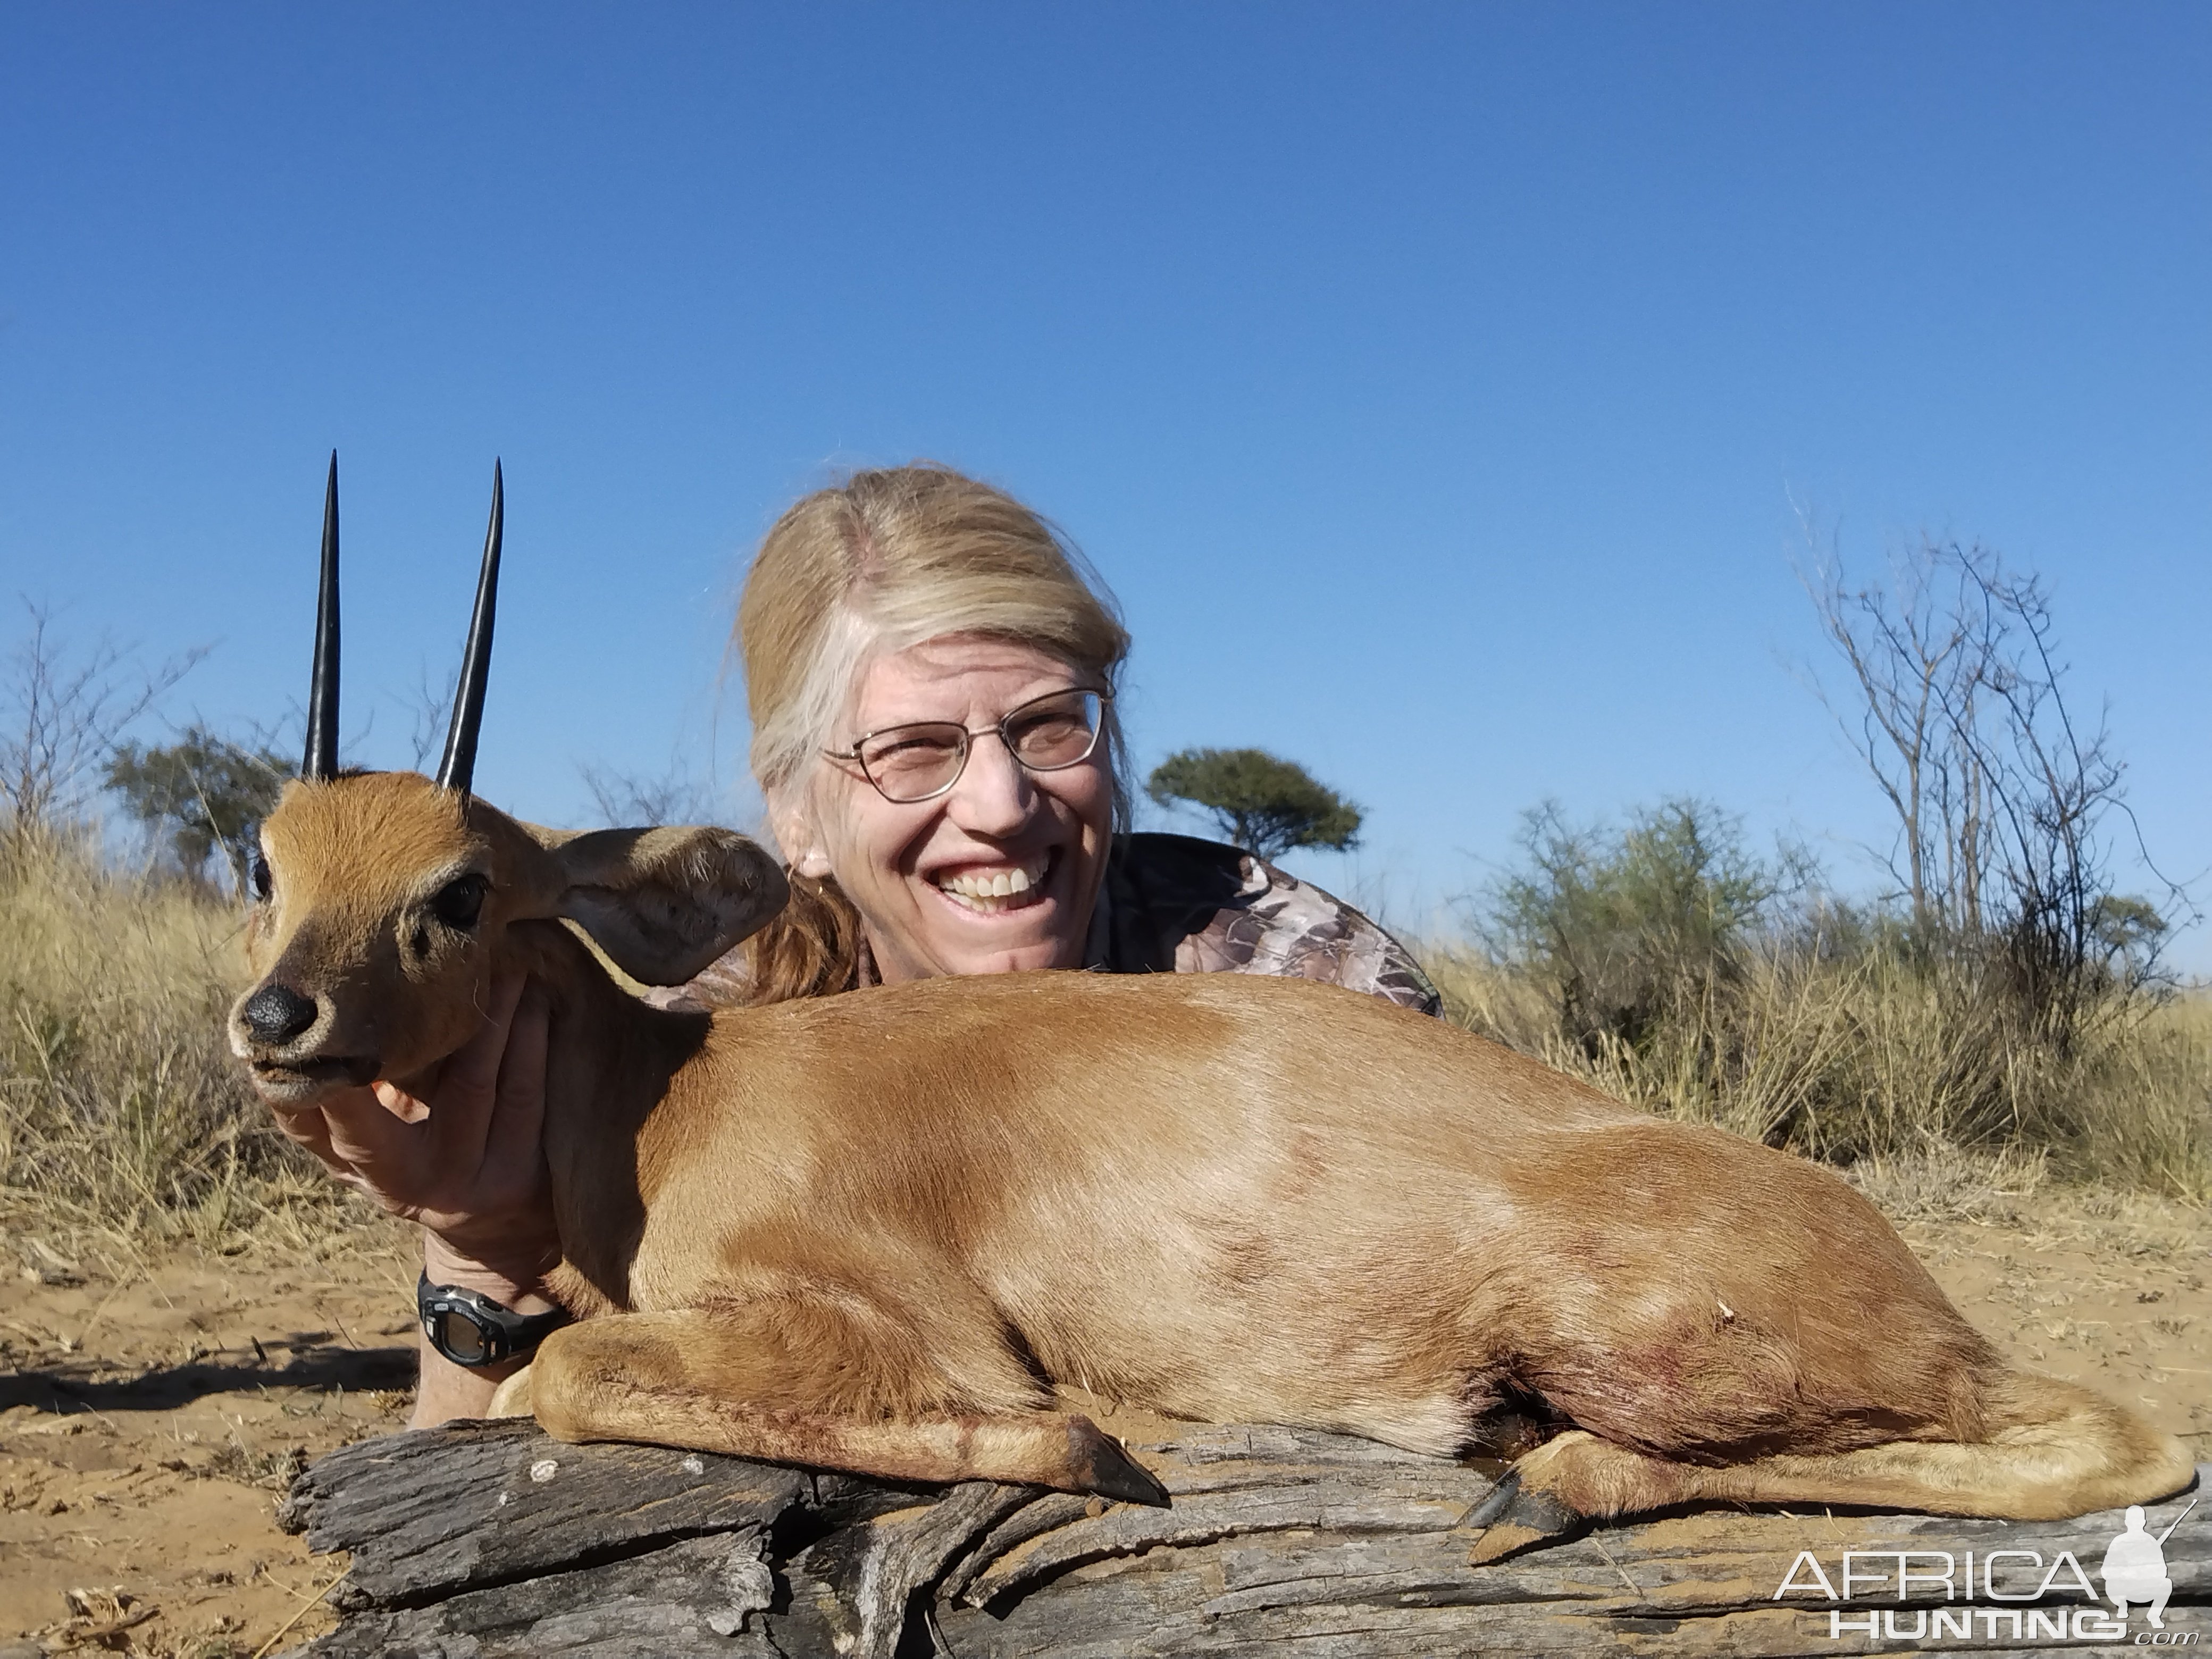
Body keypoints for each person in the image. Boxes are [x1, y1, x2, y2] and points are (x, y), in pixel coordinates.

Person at [269, 464, 1438, 1426]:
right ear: (791, 815)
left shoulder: (1294, 978)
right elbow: (475, 1472)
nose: (999, 804)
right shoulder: (681, 1049)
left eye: (1048, 726)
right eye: (912, 749)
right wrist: (488, 1260)